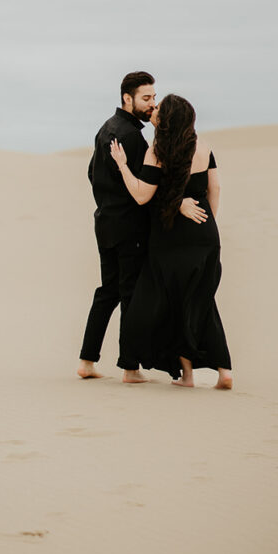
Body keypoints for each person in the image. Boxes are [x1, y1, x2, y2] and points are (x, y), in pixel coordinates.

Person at [77, 74, 204, 381]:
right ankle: (130, 368)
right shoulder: (133, 137)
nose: (152, 105)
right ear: (127, 99)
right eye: (146, 99)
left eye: (154, 98)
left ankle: (86, 362)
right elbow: (145, 188)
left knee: (108, 292)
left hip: (105, 223)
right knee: (131, 295)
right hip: (129, 229)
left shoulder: (106, 128)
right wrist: (178, 203)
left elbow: (92, 173)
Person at [109, 94, 233, 389]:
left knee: (172, 304)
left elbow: (142, 195)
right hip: (206, 235)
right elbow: (214, 187)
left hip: (171, 239)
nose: (154, 110)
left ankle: (181, 374)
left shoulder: (158, 150)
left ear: (167, 120)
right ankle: (223, 370)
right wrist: (207, 224)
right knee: (200, 301)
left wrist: (122, 165)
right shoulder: (203, 147)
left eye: (159, 110)